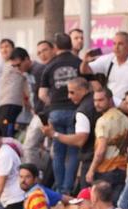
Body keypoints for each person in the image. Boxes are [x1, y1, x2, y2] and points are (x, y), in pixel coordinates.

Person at [39, 34, 83, 195]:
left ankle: (59, 187)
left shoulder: (50, 66)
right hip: (75, 111)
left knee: (58, 152)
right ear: (71, 45)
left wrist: (52, 104)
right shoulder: (78, 62)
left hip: (56, 112)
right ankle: (67, 188)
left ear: (55, 47)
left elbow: (42, 94)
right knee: (72, 152)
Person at [84, 87, 128, 189]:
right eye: (95, 100)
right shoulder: (125, 119)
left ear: (110, 100)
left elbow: (101, 150)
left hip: (107, 169)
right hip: (122, 168)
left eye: (101, 100)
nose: (97, 104)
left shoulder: (103, 121)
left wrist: (91, 170)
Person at [85, 32, 128, 101]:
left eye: (120, 44)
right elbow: (85, 70)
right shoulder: (109, 59)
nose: (116, 47)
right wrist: (85, 62)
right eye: (114, 44)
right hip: (110, 103)